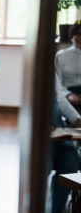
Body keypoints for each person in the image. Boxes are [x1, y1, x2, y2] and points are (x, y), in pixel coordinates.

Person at [49, 73, 81, 213]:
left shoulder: (52, 71)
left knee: (71, 160)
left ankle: (56, 209)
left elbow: (60, 99)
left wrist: (77, 120)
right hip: (39, 133)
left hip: (58, 129)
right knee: (45, 164)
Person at [55, 23, 81, 114]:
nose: (79, 37)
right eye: (77, 34)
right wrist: (68, 94)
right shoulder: (61, 55)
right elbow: (57, 81)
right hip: (68, 92)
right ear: (71, 36)